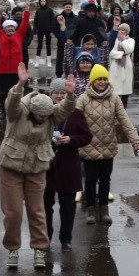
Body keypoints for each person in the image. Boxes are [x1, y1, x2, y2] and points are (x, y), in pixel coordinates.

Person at [0, 63, 77, 269]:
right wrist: (20, 84)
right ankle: (13, 248)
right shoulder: (19, 112)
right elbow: (11, 104)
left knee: (37, 210)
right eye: (40, 116)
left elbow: (66, 109)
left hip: (37, 166)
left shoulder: (50, 114)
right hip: (11, 165)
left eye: (47, 116)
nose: (44, 119)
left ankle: (40, 249)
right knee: (13, 211)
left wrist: (70, 95)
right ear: (32, 111)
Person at [76, 63, 139, 224]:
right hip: (89, 147)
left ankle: (104, 209)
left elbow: (124, 120)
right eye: (99, 79)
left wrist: (134, 139)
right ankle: (91, 209)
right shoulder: (83, 99)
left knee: (105, 180)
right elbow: (75, 121)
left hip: (108, 146)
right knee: (90, 180)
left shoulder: (114, 98)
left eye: (105, 79)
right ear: (92, 81)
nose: (102, 82)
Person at [44, 78, 91, 252]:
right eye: (55, 93)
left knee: (68, 206)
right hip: (47, 166)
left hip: (68, 165)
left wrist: (71, 139)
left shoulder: (76, 113)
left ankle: (66, 239)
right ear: (51, 95)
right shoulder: (44, 111)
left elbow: (87, 137)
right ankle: (45, 238)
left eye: (62, 93)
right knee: (45, 205)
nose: (58, 96)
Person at [0, 6, 30, 117]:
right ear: (4, 29)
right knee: (4, 92)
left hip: (17, 70)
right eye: (8, 27)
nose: (10, 29)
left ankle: (19, 110)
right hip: (3, 70)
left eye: (12, 27)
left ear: (15, 28)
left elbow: (25, 24)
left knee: (18, 91)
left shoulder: (19, 34)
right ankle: (3, 110)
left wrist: (26, 11)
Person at [108, 23, 137, 107]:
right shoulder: (114, 40)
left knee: (125, 92)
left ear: (127, 31)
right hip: (115, 67)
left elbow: (129, 49)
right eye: (120, 29)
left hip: (126, 67)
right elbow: (111, 52)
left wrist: (123, 40)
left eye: (123, 30)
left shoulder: (130, 40)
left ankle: (123, 111)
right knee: (114, 91)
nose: (121, 31)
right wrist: (121, 54)